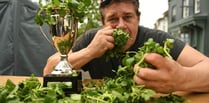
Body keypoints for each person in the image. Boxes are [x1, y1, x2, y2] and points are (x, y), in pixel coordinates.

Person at [43, 0, 209, 93]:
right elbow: (49, 70)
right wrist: (89, 52)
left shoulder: (157, 38)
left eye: (128, 17)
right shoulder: (92, 39)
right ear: (103, 22)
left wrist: (181, 79)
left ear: (138, 18)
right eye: (113, 19)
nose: (121, 25)